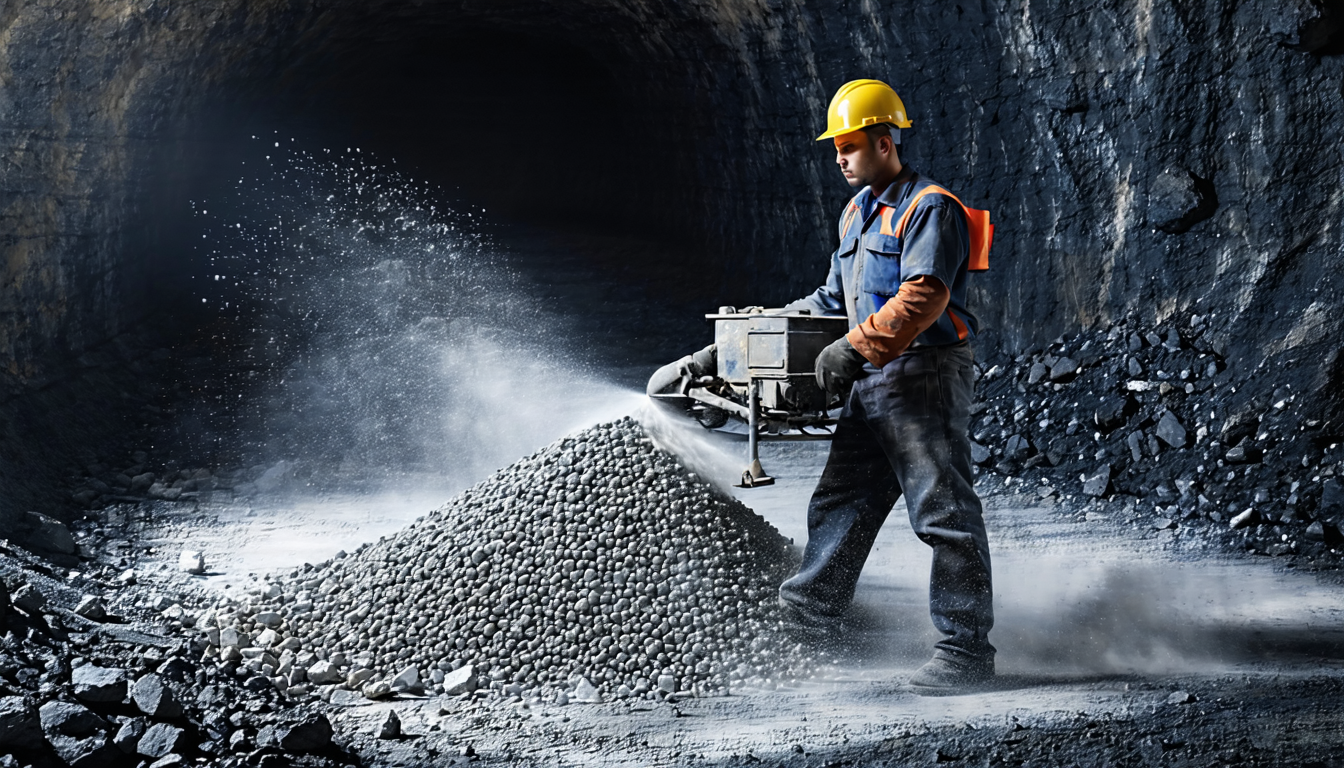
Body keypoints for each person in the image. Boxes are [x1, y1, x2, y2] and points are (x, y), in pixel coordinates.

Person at [775, 79, 996, 695]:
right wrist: (748, 334)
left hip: (924, 377)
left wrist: (853, 347)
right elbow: (830, 298)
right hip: (872, 379)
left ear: (884, 141)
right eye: (836, 148)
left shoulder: (930, 207)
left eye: (848, 146)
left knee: (943, 515)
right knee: (840, 502)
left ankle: (965, 654)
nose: (839, 158)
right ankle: (811, 624)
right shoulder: (855, 212)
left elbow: (924, 296)